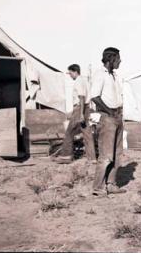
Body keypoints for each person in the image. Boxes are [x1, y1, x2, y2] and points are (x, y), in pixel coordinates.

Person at [90, 47, 126, 195]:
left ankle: (111, 184)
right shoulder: (100, 75)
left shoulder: (115, 76)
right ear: (111, 59)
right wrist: (110, 111)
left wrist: (118, 113)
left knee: (117, 154)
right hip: (107, 118)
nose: (120, 61)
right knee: (106, 155)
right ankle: (98, 187)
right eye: (118, 58)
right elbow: (95, 97)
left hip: (118, 116)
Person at [54, 64, 95, 163]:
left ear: (75, 72)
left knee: (69, 132)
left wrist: (80, 114)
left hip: (80, 108)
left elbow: (81, 97)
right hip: (85, 107)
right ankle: (92, 158)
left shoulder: (78, 81)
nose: (70, 75)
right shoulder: (85, 81)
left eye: (71, 73)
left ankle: (66, 156)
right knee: (87, 134)